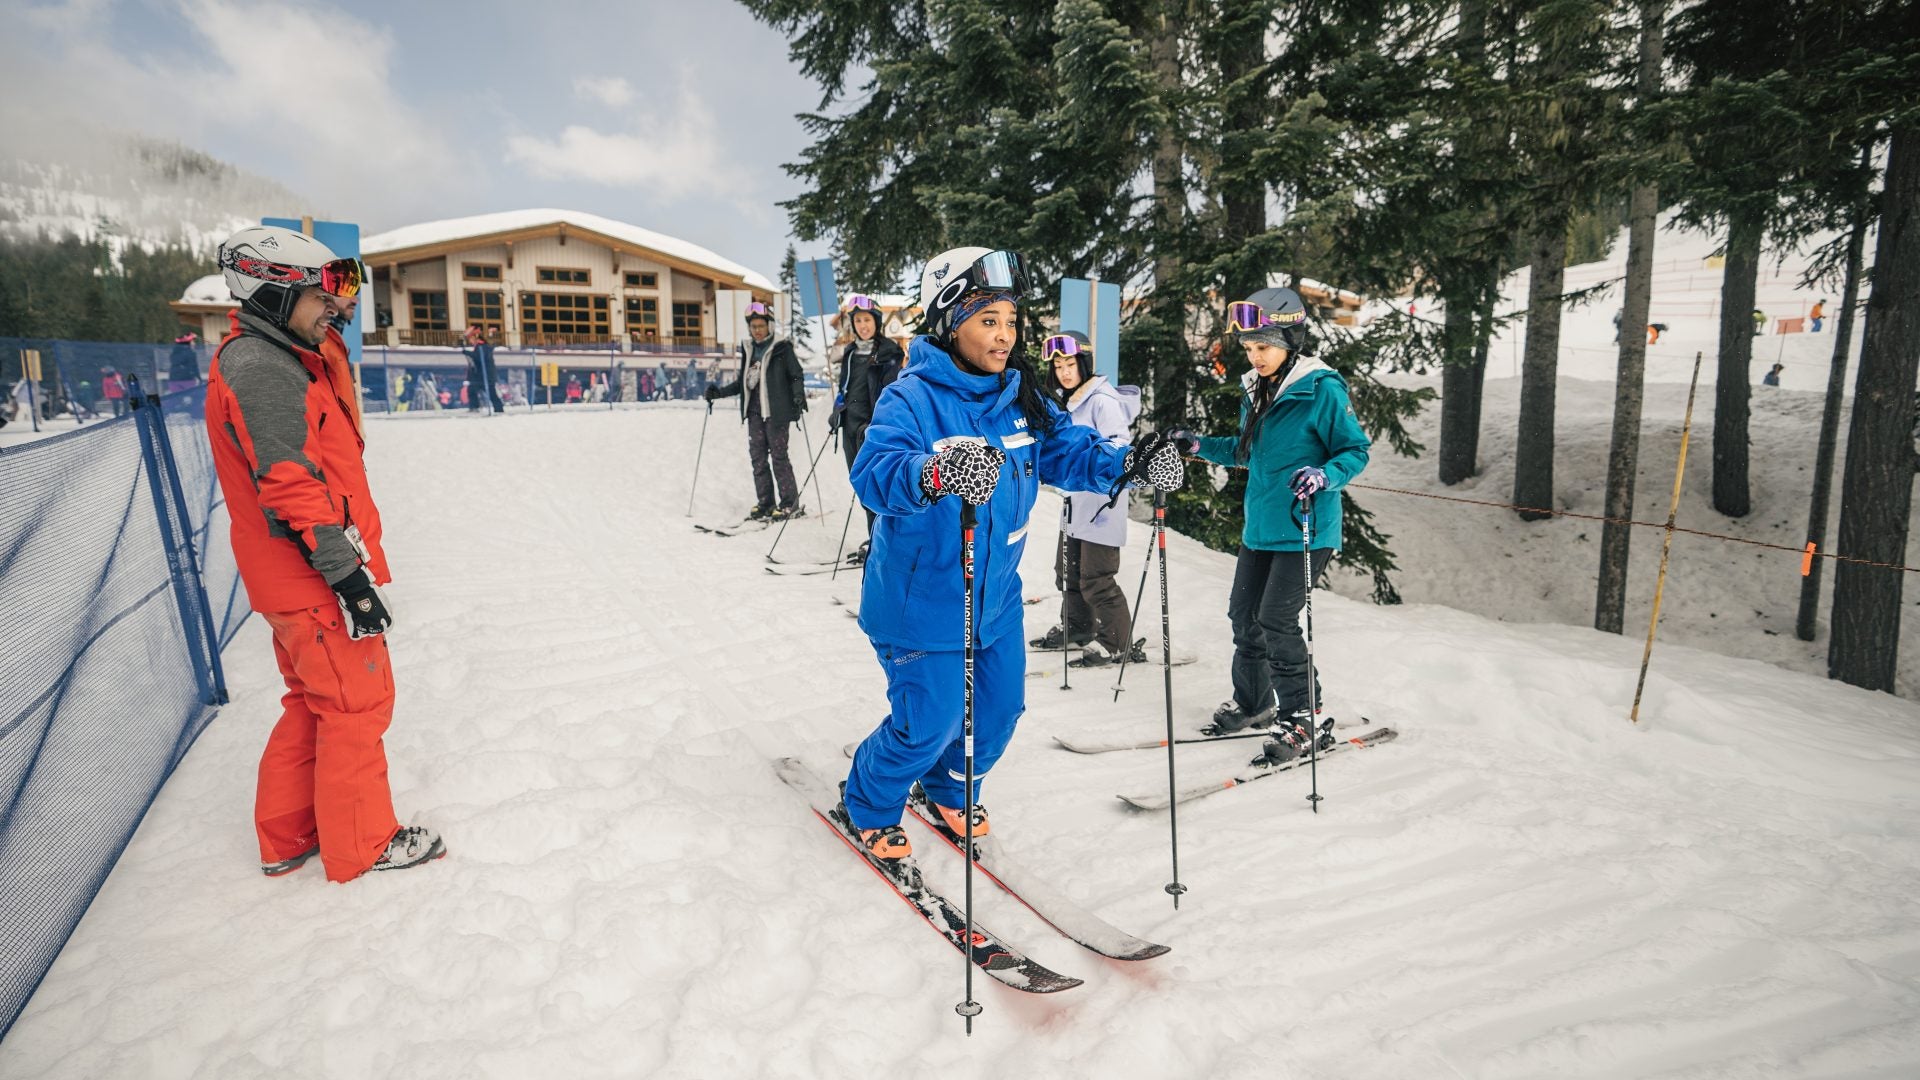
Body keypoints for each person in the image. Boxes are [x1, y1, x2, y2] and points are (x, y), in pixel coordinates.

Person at [841, 247, 1186, 859]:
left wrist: (1128, 464)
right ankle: (868, 800)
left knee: (999, 714)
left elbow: (1069, 450)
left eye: (1010, 320)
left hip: (995, 598)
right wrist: (935, 472)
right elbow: (874, 473)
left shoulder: (1018, 394)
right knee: (931, 720)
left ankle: (948, 790)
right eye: (987, 321)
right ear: (949, 323)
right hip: (923, 599)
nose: (1005, 335)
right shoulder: (912, 398)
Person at [204, 224, 444, 882]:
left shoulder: (278, 356)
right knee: (355, 705)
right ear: (274, 291)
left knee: (313, 702)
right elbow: (288, 482)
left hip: (289, 575)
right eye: (322, 297)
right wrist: (349, 579)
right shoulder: (264, 368)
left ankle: (288, 835)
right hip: (311, 574)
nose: (334, 310)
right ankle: (363, 843)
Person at [1169, 287, 1370, 763]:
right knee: (1244, 616)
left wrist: (1325, 474)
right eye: (1249, 348)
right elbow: (1247, 452)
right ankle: (1255, 702)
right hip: (1260, 525)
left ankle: (1305, 716)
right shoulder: (1256, 388)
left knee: (1277, 618)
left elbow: (1355, 450)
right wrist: (1197, 446)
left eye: (1264, 346)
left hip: (1306, 525)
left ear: (1291, 339)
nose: (1255, 356)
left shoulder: (1321, 389)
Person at [1027, 330, 1145, 666]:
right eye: (1059, 365)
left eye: (1070, 364)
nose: (1064, 371)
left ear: (1085, 364)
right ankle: (1078, 628)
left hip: (1101, 506)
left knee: (1096, 577)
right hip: (1076, 503)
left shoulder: (1102, 400)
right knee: (1067, 571)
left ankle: (1118, 643)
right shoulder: (1072, 400)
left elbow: (1119, 448)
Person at [704, 302, 808, 520]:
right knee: (758, 459)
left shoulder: (782, 348)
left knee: (779, 458)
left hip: (776, 413)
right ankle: (766, 503)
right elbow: (742, 383)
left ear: (769, 325)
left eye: (761, 325)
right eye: (753, 327)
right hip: (754, 413)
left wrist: (798, 396)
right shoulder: (750, 349)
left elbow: (796, 375)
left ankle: (790, 504)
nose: (757, 330)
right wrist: (718, 393)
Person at [830, 293, 905, 561]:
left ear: (876, 321)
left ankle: (883, 542)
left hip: (873, 429)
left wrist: (876, 424)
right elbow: (845, 387)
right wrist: (838, 408)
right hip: (850, 427)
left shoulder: (888, 352)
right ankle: (875, 536)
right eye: (858, 320)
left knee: (877, 485)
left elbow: (891, 393)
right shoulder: (850, 353)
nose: (863, 325)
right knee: (860, 484)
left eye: (867, 320)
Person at [462, 325, 505, 414]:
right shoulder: (481, 346)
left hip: (486, 376)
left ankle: (499, 409)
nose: (470, 341)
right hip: (480, 376)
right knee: (472, 390)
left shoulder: (483, 346)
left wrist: (467, 353)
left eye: (471, 339)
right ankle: (475, 407)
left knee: (491, 394)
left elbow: (479, 357)